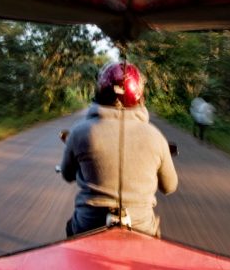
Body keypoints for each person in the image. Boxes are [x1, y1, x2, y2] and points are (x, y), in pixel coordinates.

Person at [59, 61, 178, 237]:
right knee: (154, 244)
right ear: (139, 95)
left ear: (100, 91)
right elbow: (169, 187)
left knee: (72, 230)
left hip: (89, 224)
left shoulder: (79, 132)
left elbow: (67, 175)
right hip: (141, 227)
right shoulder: (156, 137)